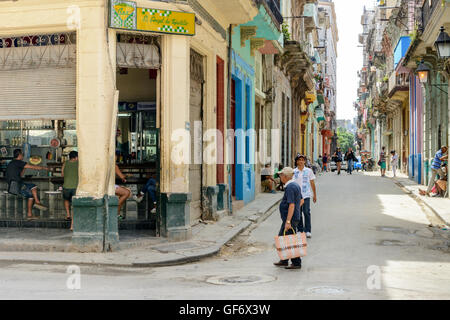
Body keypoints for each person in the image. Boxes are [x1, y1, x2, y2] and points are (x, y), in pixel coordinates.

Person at [273, 167, 304, 270]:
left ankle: (296, 262)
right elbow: (301, 200)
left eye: (281, 175)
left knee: (290, 240)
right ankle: (284, 260)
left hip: (290, 219)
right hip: (292, 217)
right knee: (283, 237)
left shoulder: (290, 187)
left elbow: (291, 205)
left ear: (285, 176)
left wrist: (288, 221)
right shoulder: (294, 185)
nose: (280, 177)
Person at [5, 149, 49, 219]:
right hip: (16, 185)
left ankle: (30, 215)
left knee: (30, 195)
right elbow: (33, 167)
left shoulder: (12, 163)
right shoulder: (18, 162)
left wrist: (24, 167)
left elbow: (21, 175)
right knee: (33, 186)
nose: (23, 156)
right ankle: (37, 202)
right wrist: (44, 168)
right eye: (22, 154)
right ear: (19, 155)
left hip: (12, 186)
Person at [293, 154, 317, 239]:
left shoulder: (309, 171)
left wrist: (314, 195)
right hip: (296, 196)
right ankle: (300, 230)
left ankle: (308, 230)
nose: (301, 161)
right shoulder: (294, 171)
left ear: (305, 161)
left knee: (306, 212)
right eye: (299, 160)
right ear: (296, 161)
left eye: (303, 160)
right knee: (298, 213)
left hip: (306, 195)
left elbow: (312, 183)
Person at [61, 151, 78, 230]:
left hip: (66, 187)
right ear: (76, 157)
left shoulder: (65, 163)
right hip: (75, 187)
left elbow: (62, 174)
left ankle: (68, 215)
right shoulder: (79, 164)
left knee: (66, 199)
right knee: (74, 206)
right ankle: (72, 225)